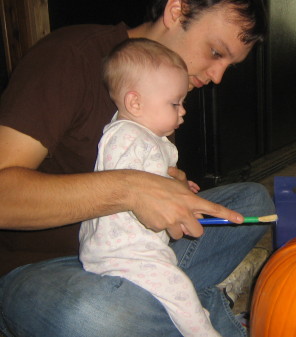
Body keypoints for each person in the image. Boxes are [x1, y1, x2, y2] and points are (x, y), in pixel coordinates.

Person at [0, 0, 274, 336]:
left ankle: (168, 302)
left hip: (139, 251)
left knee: (255, 202)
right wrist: (132, 189)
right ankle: (198, 306)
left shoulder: (169, 83)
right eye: (216, 52)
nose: (217, 76)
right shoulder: (69, 57)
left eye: (230, 65)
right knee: (93, 316)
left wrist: (169, 188)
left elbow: (147, 180)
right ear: (177, 11)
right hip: (40, 268)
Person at [79, 37, 218, 337]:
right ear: (135, 102)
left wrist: (179, 186)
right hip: (123, 251)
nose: (183, 111)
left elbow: (158, 182)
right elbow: (132, 185)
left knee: (251, 199)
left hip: (145, 248)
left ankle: (178, 313)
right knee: (178, 288)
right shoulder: (125, 136)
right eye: (175, 103)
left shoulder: (150, 136)